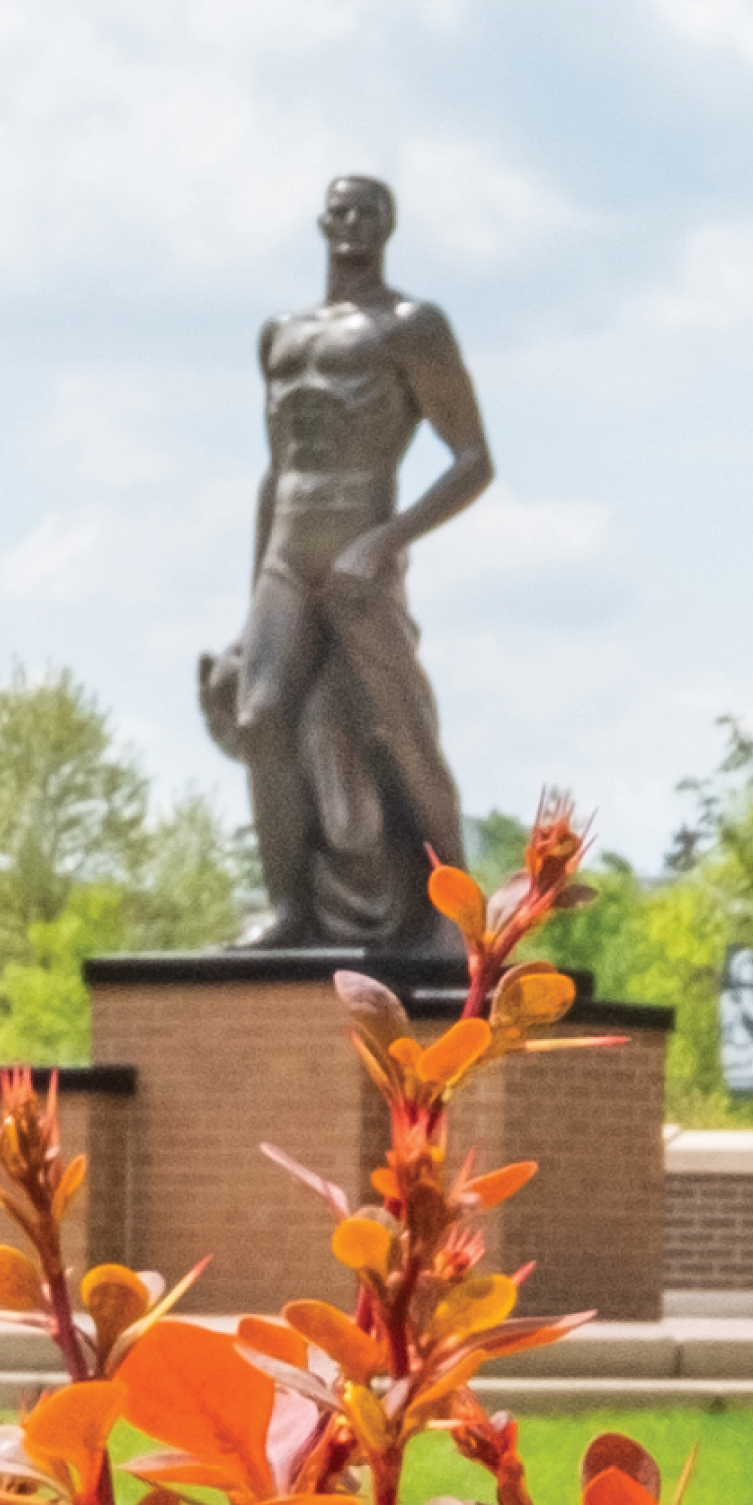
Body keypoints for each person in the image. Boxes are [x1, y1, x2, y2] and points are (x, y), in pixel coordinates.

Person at [200, 174, 488, 953]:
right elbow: (275, 472)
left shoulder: (411, 326)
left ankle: (459, 916)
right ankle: (291, 907)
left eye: (370, 211)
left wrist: (384, 541)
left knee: (401, 728)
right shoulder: (281, 334)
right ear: (321, 222)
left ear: (387, 227)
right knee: (260, 717)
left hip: (362, 556)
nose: (354, 222)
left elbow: (472, 461)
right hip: (290, 553)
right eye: (342, 209)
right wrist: (248, 611)